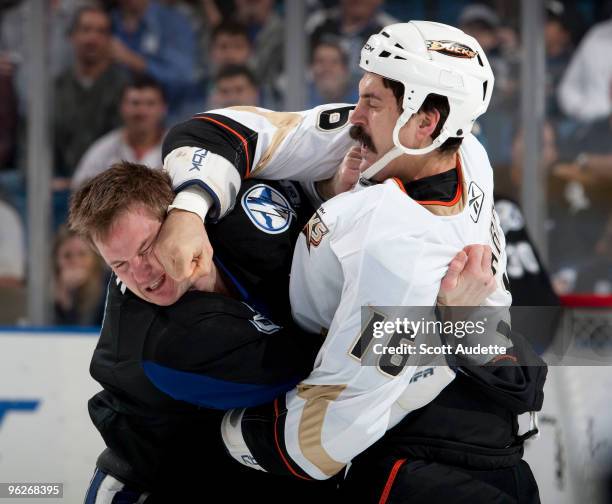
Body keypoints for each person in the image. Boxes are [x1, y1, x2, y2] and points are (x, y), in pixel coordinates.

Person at [156, 21, 546, 502]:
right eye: (361, 96)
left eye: (372, 102)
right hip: (485, 429)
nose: (354, 116)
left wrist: (219, 435)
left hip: (426, 464)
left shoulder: (391, 247)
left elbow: (320, 440)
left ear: (426, 121)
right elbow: (223, 131)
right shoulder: (462, 150)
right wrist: (190, 208)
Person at [70, 161, 489, 502]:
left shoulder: (232, 208)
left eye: (146, 250)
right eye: (120, 265)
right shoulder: (164, 345)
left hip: (253, 473)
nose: (142, 276)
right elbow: (330, 369)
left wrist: (328, 187)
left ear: (182, 218)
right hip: (162, 486)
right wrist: (450, 319)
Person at [54, 6, 129, 183]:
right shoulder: (55, 88)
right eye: (85, 30)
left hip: (107, 182)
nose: (92, 38)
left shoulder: (125, 88)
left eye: (100, 32)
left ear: (110, 40)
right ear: (72, 36)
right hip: (56, 183)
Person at [71, 75, 166, 188]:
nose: (142, 111)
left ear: (163, 108)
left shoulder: (178, 148)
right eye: (135, 103)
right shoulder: (104, 150)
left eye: (150, 104)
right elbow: (79, 189)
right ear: (121, 107)